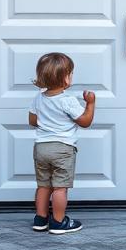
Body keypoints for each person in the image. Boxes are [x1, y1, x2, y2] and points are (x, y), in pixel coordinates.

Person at [28, 52, 96, 234]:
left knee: (43, 186)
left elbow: (33, 121)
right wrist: (90, 104)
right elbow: (85, 122)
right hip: (62, 148)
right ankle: (58, 222)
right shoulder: (68, 101)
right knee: (60, 187)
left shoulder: (38, 98)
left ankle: (40, 219)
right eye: (70, 73)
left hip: (41, 148)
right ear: (65, 79)